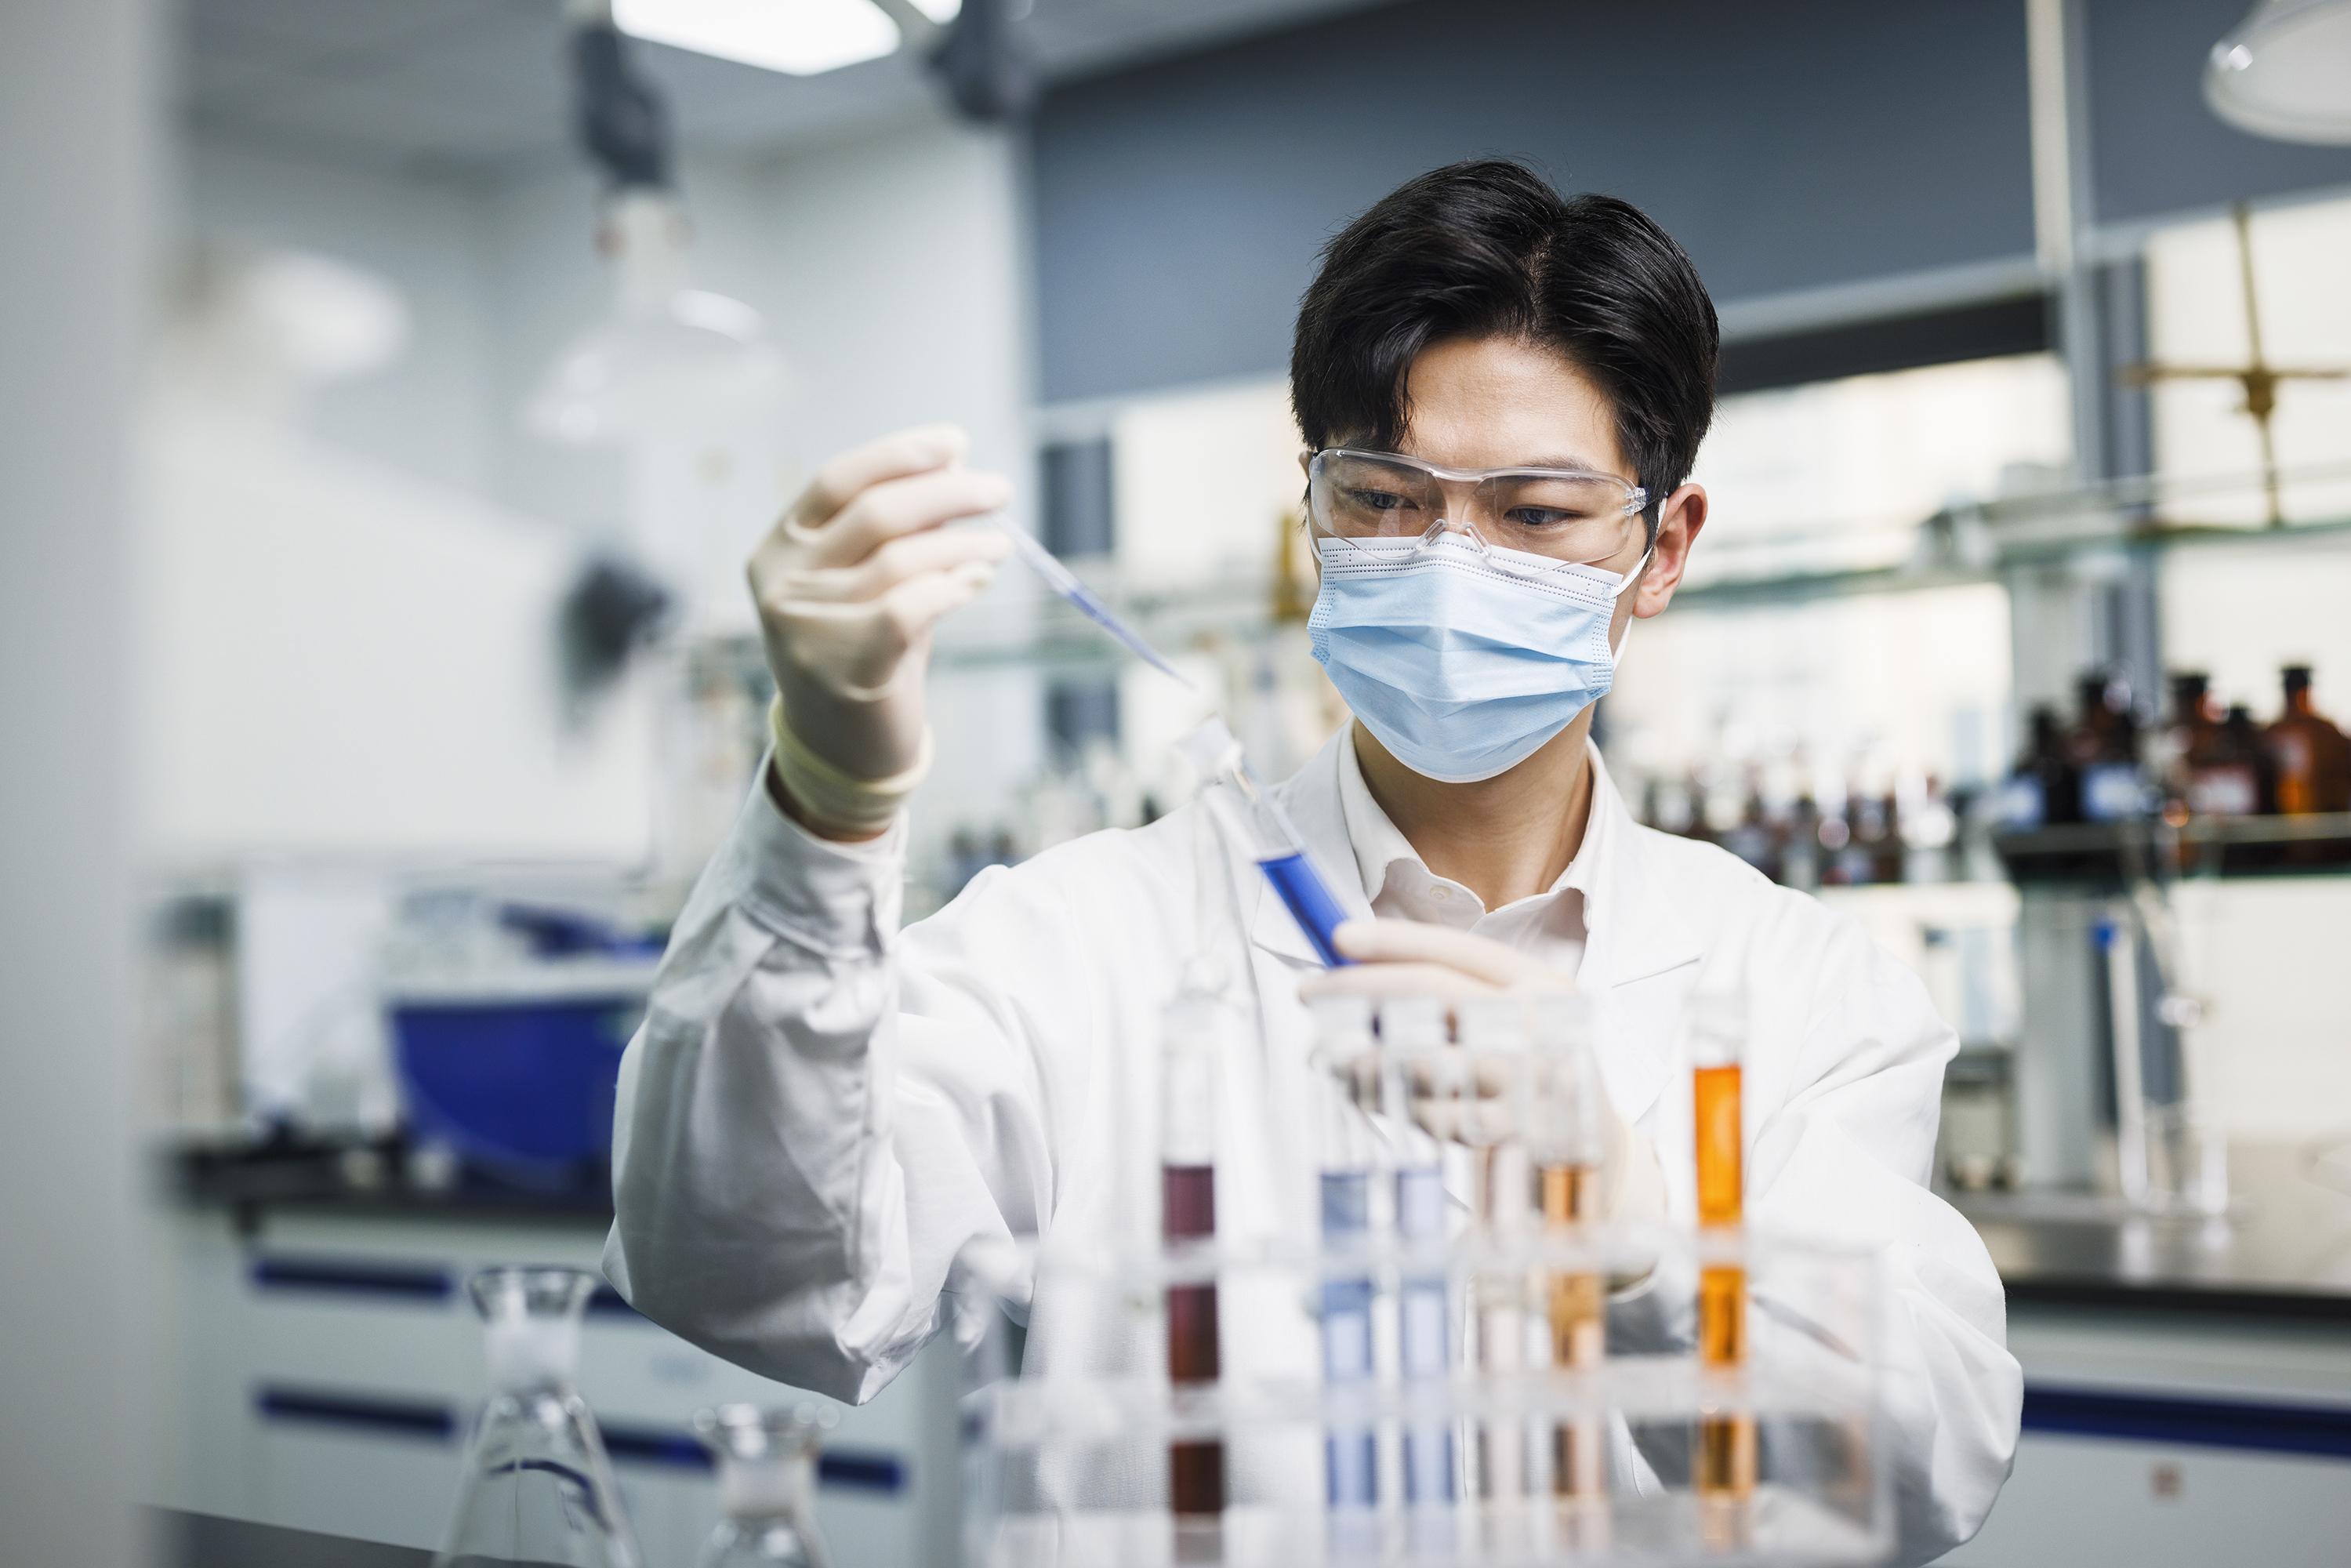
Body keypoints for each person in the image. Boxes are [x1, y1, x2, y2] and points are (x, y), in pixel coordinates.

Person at [604, 161, 2019, 1561]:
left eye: (1535, 514)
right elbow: (755, 1274)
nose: (1450, 559)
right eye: (1386, 498)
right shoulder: (1085, 942)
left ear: (1663, 546)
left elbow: (1913, 1478)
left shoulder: (1804, 995)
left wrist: (1642, 1236)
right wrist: (826, 799)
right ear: (1314, 514)